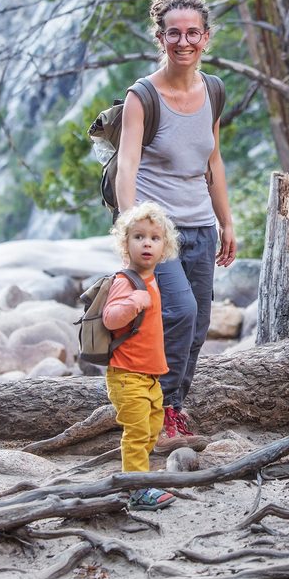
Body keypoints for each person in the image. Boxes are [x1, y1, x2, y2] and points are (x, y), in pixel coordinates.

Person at [115, 0, 236, 441]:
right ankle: (158, 409)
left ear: (206, 38)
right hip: (157, 232)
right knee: (179, 313)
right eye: (173, 34)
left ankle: (171, 408)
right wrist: (133, 230)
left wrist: (226, 221)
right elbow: (127, 165)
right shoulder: (142, 96)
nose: (183, 42)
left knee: (199, 324)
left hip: (202, 226)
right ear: (160, 38)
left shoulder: (214, 91)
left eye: (192, 33)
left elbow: (213, 161)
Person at [103, 201, 182, 511]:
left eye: (154, 237)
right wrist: (133, 303)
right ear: (126, 245)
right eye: (138, 237)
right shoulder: (126, 282)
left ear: (164, 248)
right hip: (126, 375)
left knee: (151, 430)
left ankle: (141, 478)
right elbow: (111, 319)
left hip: (149, 376)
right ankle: (136, 489)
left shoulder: (153, 280)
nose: (147, 243)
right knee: (136, 433)